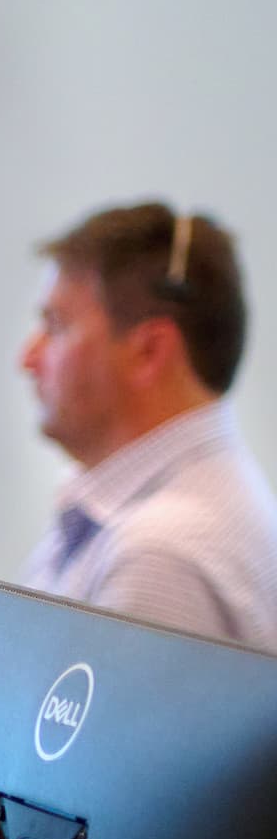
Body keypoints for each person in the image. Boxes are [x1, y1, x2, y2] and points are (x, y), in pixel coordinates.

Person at [18, 200, 277, 649]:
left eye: (56, 326)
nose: (28, 358)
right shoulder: (135, 507)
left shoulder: (161, 555)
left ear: (149, 352)